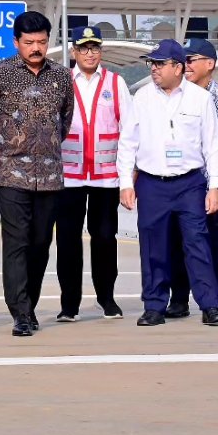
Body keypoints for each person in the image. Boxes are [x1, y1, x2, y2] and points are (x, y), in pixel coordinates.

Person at [0, 11, 74, 337]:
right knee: (16, 243)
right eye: (29, 42)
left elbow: (65, 121)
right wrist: (2, 150)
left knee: (41, 242)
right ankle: (21, 312)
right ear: (16, 42)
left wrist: (47, 147)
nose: (36, 48)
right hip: (12, 174)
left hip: (49, 176)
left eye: (42, 42)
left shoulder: (61, 77)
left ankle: (29, 302)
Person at [116, 39, 218, 327]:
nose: (153, 69)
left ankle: (210, 305)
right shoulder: (141, 97)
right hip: (152, 184)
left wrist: (215, 185)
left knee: (197, 243)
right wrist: (125, 184)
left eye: (159, 63)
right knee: (154, 246)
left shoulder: (199, 99)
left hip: (190, 183)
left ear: (178, 67)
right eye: (151, 63)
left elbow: (212, 145)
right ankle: (154, 306)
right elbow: (127, 142)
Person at [55, 24, 131, 321]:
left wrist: (126, 179)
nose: (90, 53)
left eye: (95, 47)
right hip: (68, 178)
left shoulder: (115, 83)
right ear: (73, 51)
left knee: (104, 239)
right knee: (68, 242)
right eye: (84, 48)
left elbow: (129, 132)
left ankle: (107, 299)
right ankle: (69, 304)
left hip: (105, 178)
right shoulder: (60, 81)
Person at [168, 38, 218, 319]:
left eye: (191, 60)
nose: (185, 65)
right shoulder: (174, 94)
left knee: (213, 242)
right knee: (177, 242)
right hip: (179, 181)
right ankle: (178, 300)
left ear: (209, 64)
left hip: (211, 184)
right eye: (183, 61)